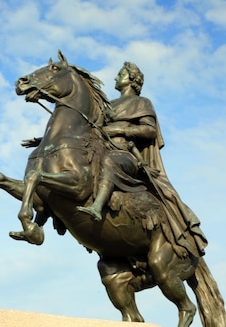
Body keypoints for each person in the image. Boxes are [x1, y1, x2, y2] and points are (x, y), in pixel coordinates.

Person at [78, 61, 207, 258]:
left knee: (110, 161)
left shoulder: (142, 102)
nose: (115, 77)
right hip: (103, 149)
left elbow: (149, 130)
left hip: (126, 156)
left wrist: (120, 129)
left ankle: (97, 207)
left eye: (120, 74)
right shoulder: (108, 105)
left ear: (131, 79)